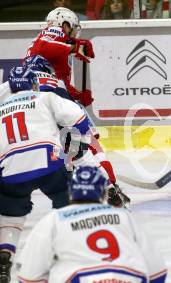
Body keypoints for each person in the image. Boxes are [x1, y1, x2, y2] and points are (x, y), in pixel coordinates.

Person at [0, 72, 92, 282]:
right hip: (49, 162)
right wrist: (75, 150)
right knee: (68, 203)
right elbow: (78, 118)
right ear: (34, 84)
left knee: (10, 217)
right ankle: (69, 253)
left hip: (11, 169)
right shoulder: (46, 97)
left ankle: (4, 259)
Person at [5, 56, 130, 209]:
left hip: (27, 140)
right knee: (83, 158)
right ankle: (109, 190)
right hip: (65, 127)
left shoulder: (9, 87)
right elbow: (78, 119)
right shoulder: (56, 85)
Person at [28, 8, 124, 200]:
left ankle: (80, 182)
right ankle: (109, 187)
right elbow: (42, 48)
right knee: (89, 141)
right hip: (49, 97)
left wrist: (77, 95)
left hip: (41, 99)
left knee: (72, 148)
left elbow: (57, 77)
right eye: (72, 28)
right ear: (64, 24)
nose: (73, 33)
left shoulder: (56, 44)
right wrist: (75, 46)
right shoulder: (54, 32)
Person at [16, 166, 167, 283]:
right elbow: (157, 271)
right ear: (102, 192)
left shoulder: (55, 219)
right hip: (129, 276)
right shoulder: (123, 216)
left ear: (70, 191)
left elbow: (29, 276)